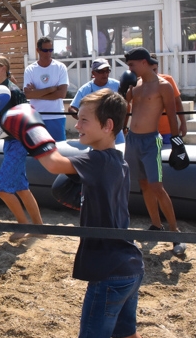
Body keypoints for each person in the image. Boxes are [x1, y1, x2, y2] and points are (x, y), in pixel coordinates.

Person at [3, 90, 161, 338]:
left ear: (107, 125)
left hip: (108, 272)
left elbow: (51, 163)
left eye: (84, 120)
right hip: (129, 265)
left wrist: (31, 127)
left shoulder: (97, 159)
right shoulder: (115, 159)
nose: (77, 125)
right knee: (128, 333)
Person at [120, 48, 187, 256]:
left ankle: (175, 233)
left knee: (157, 186)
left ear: (142, 62)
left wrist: (177, 143)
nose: (129, 69)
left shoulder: (163, 86)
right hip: (133, 139)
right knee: (143, 184)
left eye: (131, 64)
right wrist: (123, 124)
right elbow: (127, 109)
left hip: (151, 141)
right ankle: (156, 225)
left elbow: (172, 113)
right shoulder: (137, 86)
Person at [0, 55, 43, 242]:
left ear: (3, 68)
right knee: (21, 188)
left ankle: (23, 225)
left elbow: (27, 117)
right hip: (10, 142)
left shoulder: (12, 91)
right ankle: (39, 228)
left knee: (1, 188)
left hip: (18, 142)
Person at [22, 36, 69, 141]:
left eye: (50, 50)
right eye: (45, 50)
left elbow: (61, 94)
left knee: (59, 149)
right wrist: (50, 89)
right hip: (36, 117)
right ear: (38, 50)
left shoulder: (60, 67)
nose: (48, 53)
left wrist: (37, 93)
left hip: (56, 117)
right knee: (38, 152)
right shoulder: (30, 69)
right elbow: (28, 95)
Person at [68, 58, 123, 144]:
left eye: (107, 71)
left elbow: (127, 104)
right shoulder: (85, 89)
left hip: (115, 131)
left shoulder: (118, 85)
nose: (105, 74)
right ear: (93, 73)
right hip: (95, 132)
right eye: (101, 71)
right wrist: (86, 120)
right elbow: (72, 108)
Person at [151, 55, 187, 144]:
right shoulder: (138, 83)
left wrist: (183, 123)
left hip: (168, 131)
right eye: (150, 70)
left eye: (154, 70)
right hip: (148, 132)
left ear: (157, 67)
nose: (152, 73)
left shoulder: (168, 80)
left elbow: (177, 102)